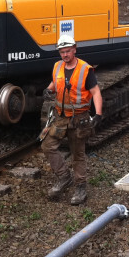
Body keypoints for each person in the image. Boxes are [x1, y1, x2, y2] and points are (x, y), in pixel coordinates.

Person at [41, 34, 103, 205]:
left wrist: (98, 113)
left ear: (74, 49)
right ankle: (64, 177)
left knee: (78, 154)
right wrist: (48, 90)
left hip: (79, 118)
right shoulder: (57, 66)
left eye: (68, 51)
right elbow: (55, 83)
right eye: (62, 52)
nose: (65, 55)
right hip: (61, 117)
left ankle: (80, 187)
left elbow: (96, 92)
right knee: (47, 145)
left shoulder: (85, 69)